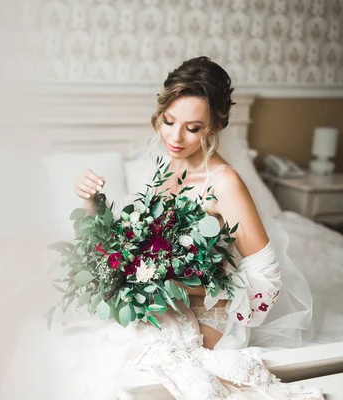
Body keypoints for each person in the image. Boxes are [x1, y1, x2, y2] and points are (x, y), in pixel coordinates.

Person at [75, 56, 296, 351]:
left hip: (204, 318)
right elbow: (131, 245)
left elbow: (268, 281)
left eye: (192, 128)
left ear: (215, 127)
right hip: (159, 307)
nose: (175, 137)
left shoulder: (224, 182)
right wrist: (93, 204)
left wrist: (177, 284)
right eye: (168, 121)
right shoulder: (168, 167)